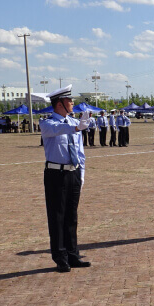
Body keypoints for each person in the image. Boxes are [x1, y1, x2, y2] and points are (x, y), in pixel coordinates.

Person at [39, 85, 91, 273]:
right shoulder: (47, 124)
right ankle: (60, 257)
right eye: (69, 100)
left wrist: (81, 175)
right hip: (56, 175)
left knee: (71, 216)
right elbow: (59, 129)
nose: (72, 103)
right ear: (59, 103)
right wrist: (77, 126)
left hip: (73, 172)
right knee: (57, 216)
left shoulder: (73, 123)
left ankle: (73, 254)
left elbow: (80, 151)